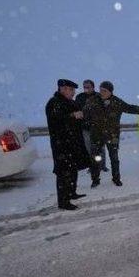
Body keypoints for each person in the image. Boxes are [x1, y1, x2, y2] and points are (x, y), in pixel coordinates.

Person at [83, 80, 139, 187]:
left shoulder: (116, 102)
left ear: (110, 92)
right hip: (97, 135)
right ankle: (95, 179)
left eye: (104, 91)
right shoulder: (92, 100)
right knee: (95, 158)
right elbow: (84, 113)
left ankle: (116, 178)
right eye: (100, 90)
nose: (102, 92)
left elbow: (129, 108)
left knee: (114, 158)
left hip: (112, 135)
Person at [45, 79, 91, 210]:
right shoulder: (54, 103)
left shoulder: (70, 102)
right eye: (71, 90)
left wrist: (81, 114)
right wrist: (72, 115)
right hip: (62, 144)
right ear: (63, 89)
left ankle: (72, 193)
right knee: (64, 172)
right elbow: (58, 119)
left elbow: (79, 114)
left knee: (72, 169)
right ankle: (63, 201)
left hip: (73, 143)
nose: (73, 92)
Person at [75, 79, 108, 172]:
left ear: (93, 87)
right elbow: (76, 110)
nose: (86, 89)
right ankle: (92, 166)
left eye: (88, 87)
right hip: (85, 128)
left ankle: (102, 166)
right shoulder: (79, 97)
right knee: (89, 148)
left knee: (100, 147)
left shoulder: (99, 96)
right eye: (84, 87)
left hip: (98, 127)